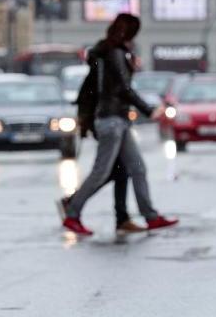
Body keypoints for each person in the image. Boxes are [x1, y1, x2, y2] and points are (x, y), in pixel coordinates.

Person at [62, 14, 176, 236]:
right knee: (101, 172)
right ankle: (72, 213)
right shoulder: (114, 54)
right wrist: (149, 110)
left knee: (137, 168)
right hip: (111, 120)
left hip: (117, 120)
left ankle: (150, 216)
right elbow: (123, 88)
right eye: (133, 33)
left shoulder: (113, 52)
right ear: (127, 33)